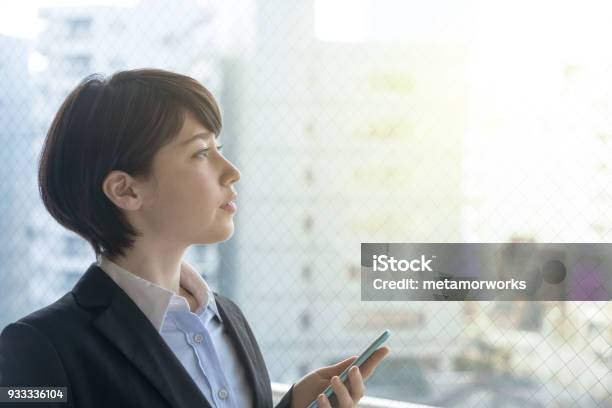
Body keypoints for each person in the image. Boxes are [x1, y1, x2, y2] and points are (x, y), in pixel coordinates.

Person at [0, 68, 389, 407]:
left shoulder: (228, 318)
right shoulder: (36, 348)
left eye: (218, 148)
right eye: (201, 152)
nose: (231, 171)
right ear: (126, 191)